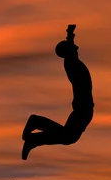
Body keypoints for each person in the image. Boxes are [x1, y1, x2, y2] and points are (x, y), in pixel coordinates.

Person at [22, 25, 94, 160]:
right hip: (83, 108)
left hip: (83, 107)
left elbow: (71, 48)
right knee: (69, 137)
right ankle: (36, 124)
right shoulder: (71, 63)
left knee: (68, 136)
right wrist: (69, 34)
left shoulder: (72, 61)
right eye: (72, 47)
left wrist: (70, 35)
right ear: (68, 52)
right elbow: (71, 51)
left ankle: (35, 135)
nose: (77, 47)